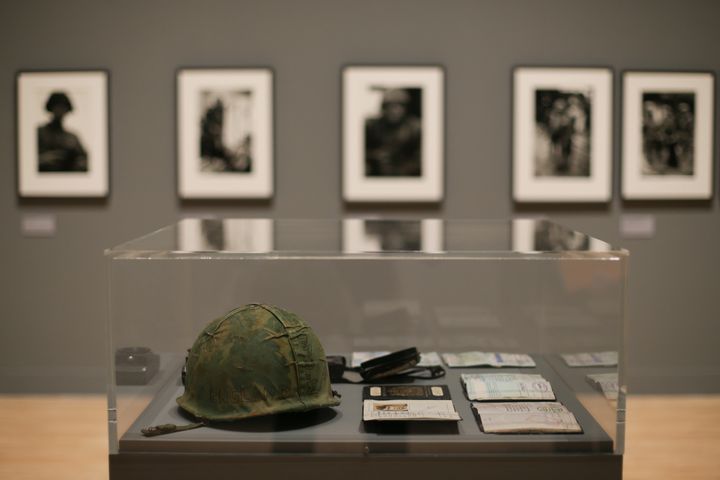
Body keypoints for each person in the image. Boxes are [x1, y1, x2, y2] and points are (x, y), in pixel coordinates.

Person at [365, 88, 422, 177]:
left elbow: (421, 158)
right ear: (384, 108)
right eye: (390, 106)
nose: (394, 111)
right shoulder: (373, 126)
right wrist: (375, 156)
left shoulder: (415, 128)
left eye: (399, 106)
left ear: (405, 109)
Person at [37, 92, 88, 172]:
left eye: (63, 108)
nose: (60, 111)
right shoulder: (39, 132)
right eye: (57, 107)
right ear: (51, 108)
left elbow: (84, 160)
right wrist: (44, 159)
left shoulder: (72, 137)